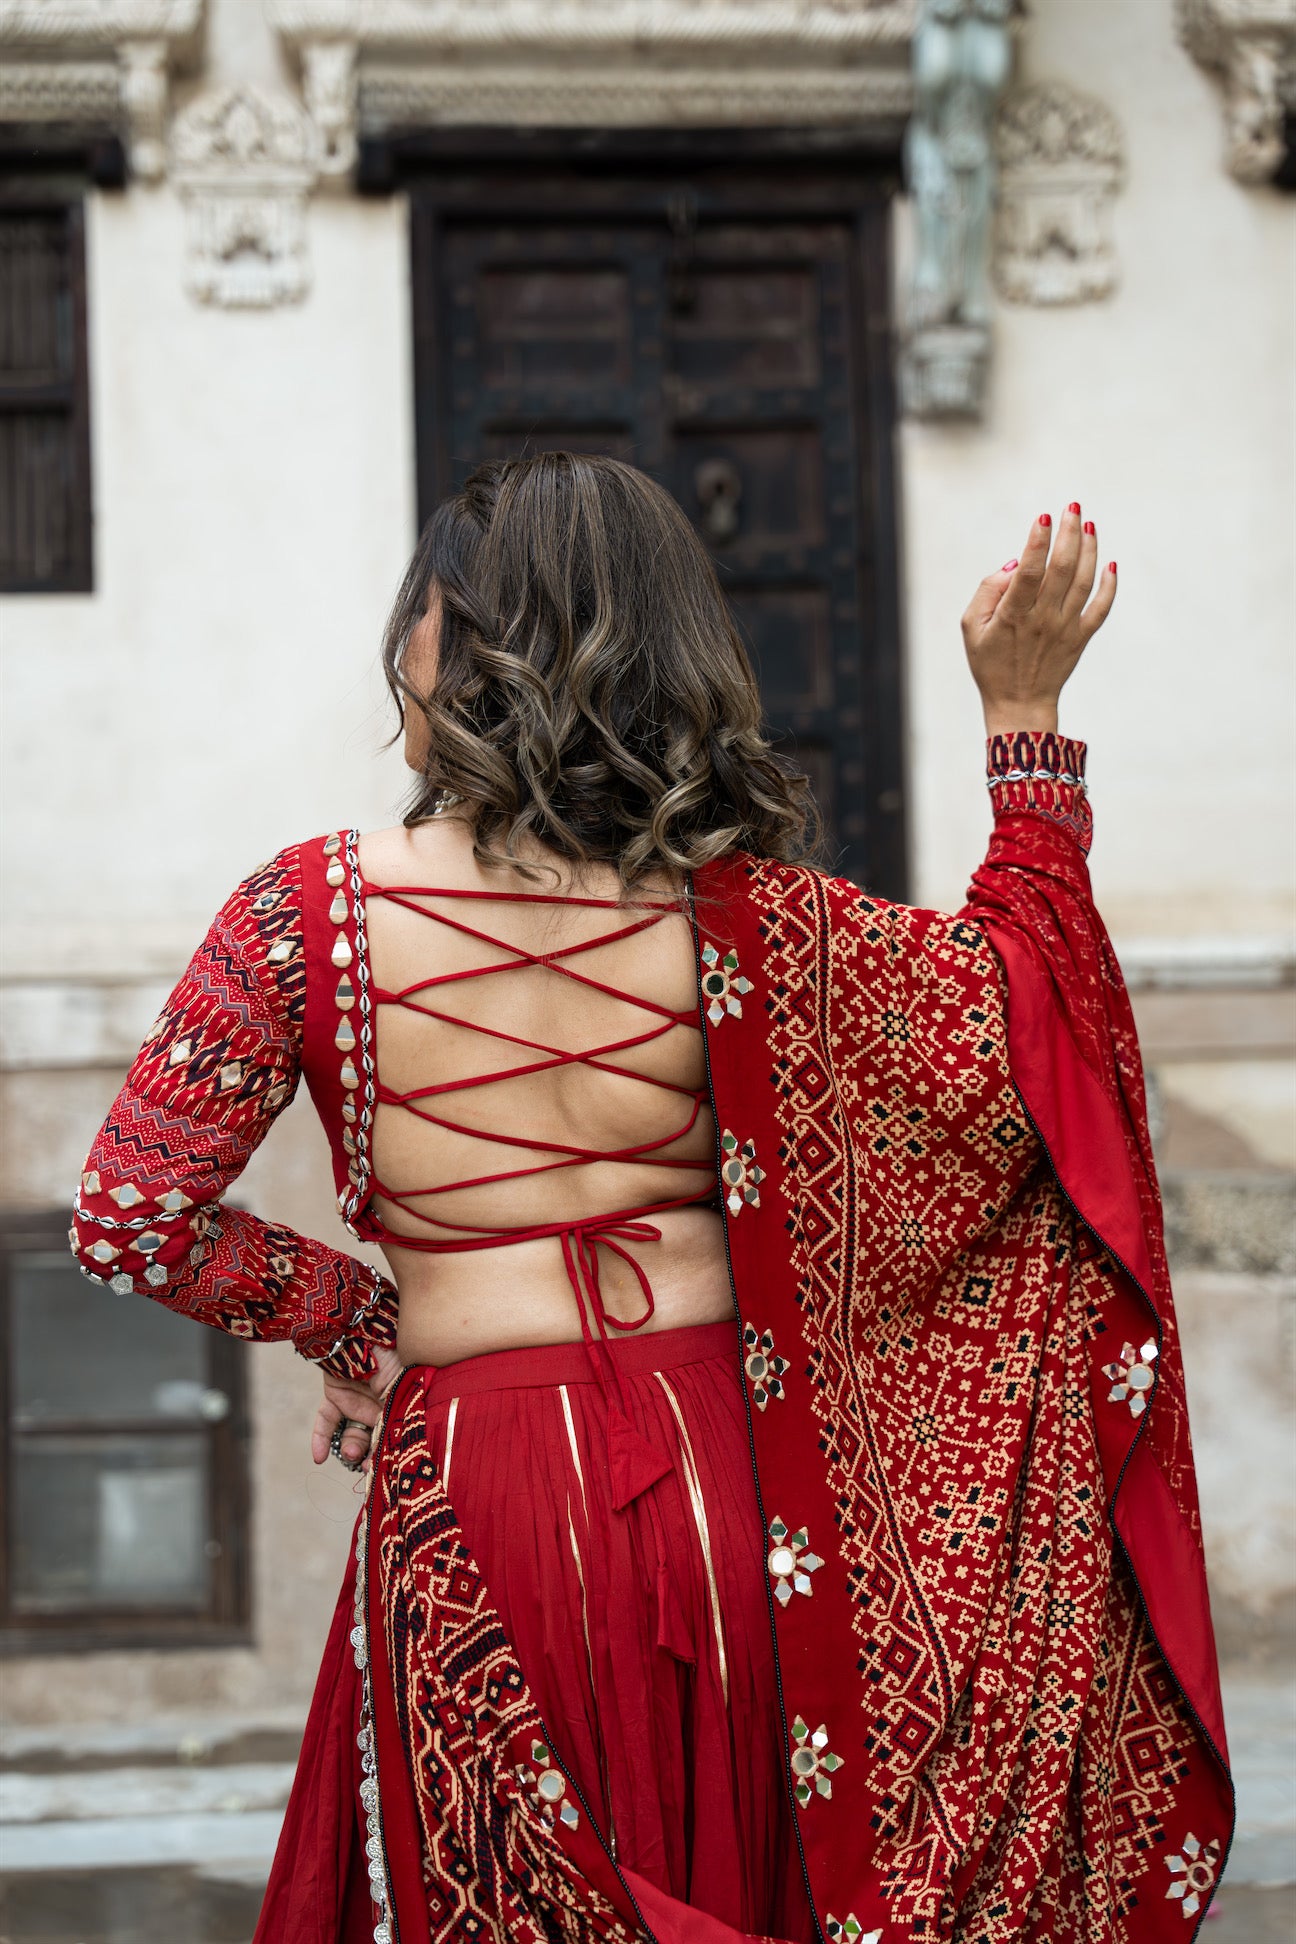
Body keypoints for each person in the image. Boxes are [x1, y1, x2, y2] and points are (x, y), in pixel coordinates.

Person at [71, 456, 1232, 1944]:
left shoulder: (306, 913)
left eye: (416, 614)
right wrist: (1025, 733)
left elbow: (129, 1213)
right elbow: (1035, 1040)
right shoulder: (771, 923)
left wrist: (357, 1320)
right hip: (746, 1491)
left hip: (476, 1480)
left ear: (464, 645)